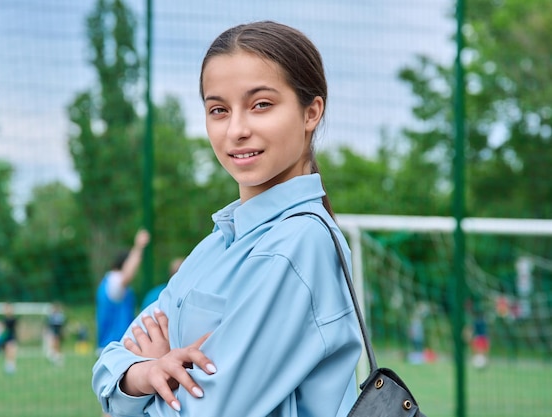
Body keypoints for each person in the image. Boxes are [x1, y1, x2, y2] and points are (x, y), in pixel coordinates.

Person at [92, 21, 363, 416]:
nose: (236, 129)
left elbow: (207, 411)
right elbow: (108, 367)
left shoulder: (298, 244)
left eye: (261, 105)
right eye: (219, 110)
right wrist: (141, 373)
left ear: (311, 112)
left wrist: (140, 391)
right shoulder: (216, 244)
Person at [95, 229, 150, 355]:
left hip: (111, 347)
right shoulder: (115, 281)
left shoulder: (107, 281)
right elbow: (127, 276)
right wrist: (138, 247)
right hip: (116, 347)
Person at [0, 302, 18, 374]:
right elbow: (2, 329)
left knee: (12, 351)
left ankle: (12, 366)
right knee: (7, 352)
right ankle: (8, 366)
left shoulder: (13, 319)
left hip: (11, 337)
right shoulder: (3, 319)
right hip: (6, 338)